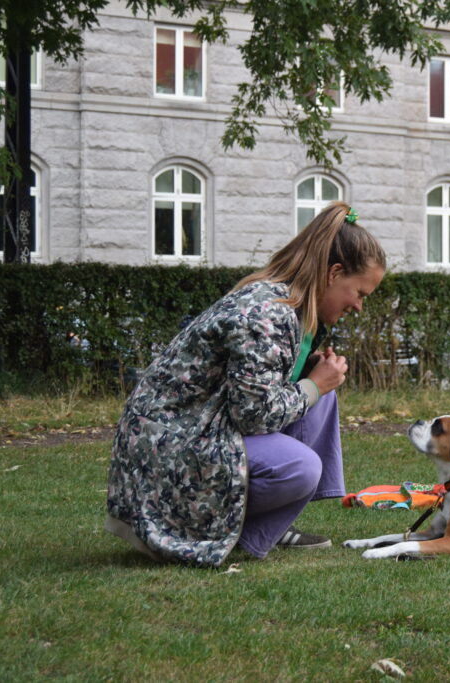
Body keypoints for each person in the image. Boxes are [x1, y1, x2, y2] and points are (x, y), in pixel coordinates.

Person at [104, 202, 386, 566]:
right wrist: (313, 384)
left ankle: (263, 528)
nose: (360, 307)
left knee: (324, 397)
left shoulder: (289, 306)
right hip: (166, 459)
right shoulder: (268, 313)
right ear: (333, 273)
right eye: (360, 293)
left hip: (194, 432)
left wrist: (312, 377)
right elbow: (253, 415)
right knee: (302, 466)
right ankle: (221, 531)